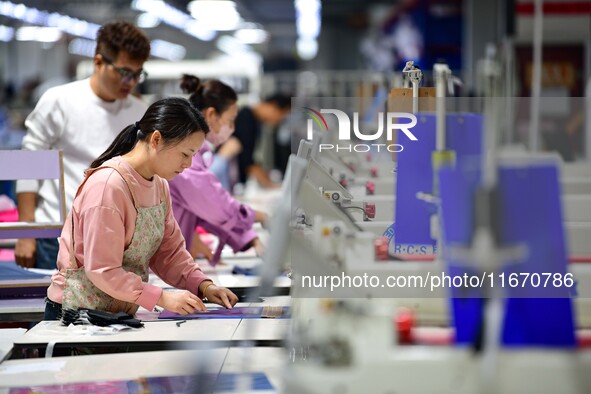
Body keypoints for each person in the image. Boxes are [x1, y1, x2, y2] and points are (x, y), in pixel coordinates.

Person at [44, 97, 238, 320]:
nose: (189, 164)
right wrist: (162, 298)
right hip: (75, 315)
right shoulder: (108, 186)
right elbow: (102, 269)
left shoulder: (159, 185)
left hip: (113, 314)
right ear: (156, 139)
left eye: (193, 155)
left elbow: (169, 252)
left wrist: (203, 285)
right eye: (185, 154)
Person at [16, 21, 151, 269]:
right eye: (123, 72)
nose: (130, 82)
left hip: (114, 238)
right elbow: (27, 167)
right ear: (98, 62)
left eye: (137, 74)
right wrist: (26, 232)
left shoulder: (139, 113)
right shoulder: (59, 101)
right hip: (56, 235)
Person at [168, 74, 268, 265]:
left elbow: (207, 214)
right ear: (211, 115)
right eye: (230, 121)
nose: (231, 128)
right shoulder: (186, 158)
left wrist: (249, 237)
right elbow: (217, 206)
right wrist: (259, 217)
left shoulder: (197, 152)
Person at [218, 93, 291, 189]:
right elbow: (247, 159)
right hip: (228, 180)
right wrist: (269, 184)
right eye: (281, 115)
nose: (278, 120)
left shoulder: (255, 121)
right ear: (273, 106)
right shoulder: (245, 117)